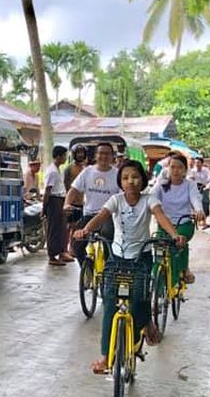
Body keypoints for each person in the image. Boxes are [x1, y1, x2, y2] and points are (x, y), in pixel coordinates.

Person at [72, 159, 186, 373]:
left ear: (142, 179)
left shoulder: (149, 200)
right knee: (108, 303)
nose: (130, 181)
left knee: (139, 297)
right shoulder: (115, 200)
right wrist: (85, 230)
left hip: (141, 257)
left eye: (134, 176)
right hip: (116, 258)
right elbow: (100, 217)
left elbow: (161, 217)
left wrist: (174, 235)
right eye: (125, 178)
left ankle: (145, 324)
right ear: (120, 182)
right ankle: (106, 357)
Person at [151, 153, 203, 285]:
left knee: (180, 241)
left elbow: (195, 199)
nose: (175, 170)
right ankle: (156, 287)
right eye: (172, 167)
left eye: (180, 167)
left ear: (185, 170)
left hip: (184, 223)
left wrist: (198, 210)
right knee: (160, 251)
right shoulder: (161, 184)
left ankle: (185, 269)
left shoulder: (189, 185)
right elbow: (150, 199)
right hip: (164, 224)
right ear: (168, 168)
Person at [64, 142, 120, 262]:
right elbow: (73, 190)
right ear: (95, 155)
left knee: (108, 239)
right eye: (101, 153)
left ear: (112, 156)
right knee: (76, 244)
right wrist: (67, 204)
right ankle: (87, 268)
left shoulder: (117, 174)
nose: (103, 156)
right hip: (89, 215)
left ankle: (107, 272)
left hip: (108, 216)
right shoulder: (87, 172)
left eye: (107, 153)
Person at [43, 146, 74, 266]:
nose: (66, 158)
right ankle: (52, 256)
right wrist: (44, 208)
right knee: (53, 229)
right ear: (59, 156)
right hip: (54, 201)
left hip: (60, 200)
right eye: (65, 156)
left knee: (61, 228)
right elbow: (47, 190)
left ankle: (61, 252)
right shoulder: (52, 171)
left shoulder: (57, 169)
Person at [188, 155, 210, 229]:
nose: (197, 164)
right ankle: (198, 220)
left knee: (205, 203)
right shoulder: (192, 171)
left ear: (202, 163)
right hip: (195, 189)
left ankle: (204, 221)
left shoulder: (206, 170)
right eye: (196, 163)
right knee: (195, 204)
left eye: (198, 162)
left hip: (204, 188)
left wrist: (206, 184)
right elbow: (189, 178)